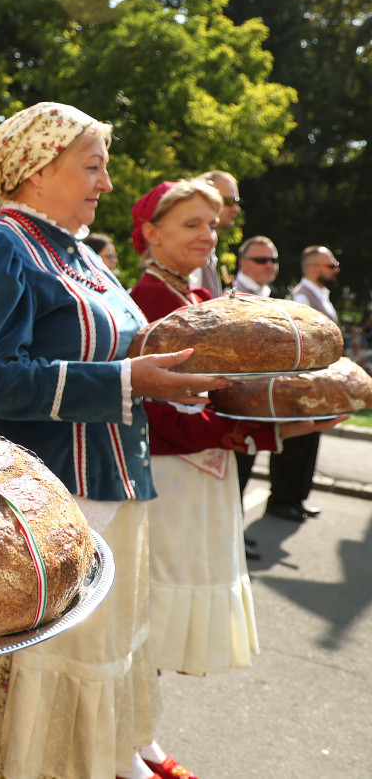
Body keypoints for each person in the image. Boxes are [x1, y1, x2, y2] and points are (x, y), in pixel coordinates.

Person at [0, 102, 229, 779]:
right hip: (50, 494)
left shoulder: (81, 255)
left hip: (113, 483)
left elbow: (123, 356)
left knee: (109, 645)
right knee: (60, 659)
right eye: (92, 167)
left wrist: (170, 381)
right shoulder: (1, 245)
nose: (106, 184)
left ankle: (112, 757)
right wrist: (130, 376)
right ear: (38, 171)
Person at [127, 180, 340, 678]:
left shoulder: (201, 295)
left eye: (212, 225)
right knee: (155, 607)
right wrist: (256, 437)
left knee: (177, 609)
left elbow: (230, 396)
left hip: (208, 468)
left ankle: (144, 734)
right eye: (192, 224)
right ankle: (136, 739)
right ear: (152, 233)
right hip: (169, 471)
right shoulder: (146, 298)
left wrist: (288, 422)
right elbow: (157, 411)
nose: (208, 236)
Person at [265, 245, 341, 522]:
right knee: (295, 444)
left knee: (308, 443)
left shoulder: (319, 294)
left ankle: (295, 499)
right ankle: (282, 499)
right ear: (313, 268)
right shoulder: (301, 297)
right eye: (330, 265)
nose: (336, 269)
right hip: (300, 386)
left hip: (315, 384)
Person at [230, 235, 280, 514]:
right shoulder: (235, 295)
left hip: (257, 397)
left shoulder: (265, 295)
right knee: (236, 472)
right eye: (262, 260)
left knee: (245, 469)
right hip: (237, 400)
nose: (269, 265)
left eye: (273, 260)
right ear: (244, 263)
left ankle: (235, 531)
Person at [188, 169, 241, 297]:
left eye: (236, 201)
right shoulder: (191, 250)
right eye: (228, 201)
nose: (236, 209)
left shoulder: (208, 251)